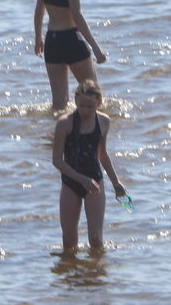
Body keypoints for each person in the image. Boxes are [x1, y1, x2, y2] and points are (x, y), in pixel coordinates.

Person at [33, 0, 107, 109]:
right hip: (72, 41)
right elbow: (77, 15)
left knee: (59, 103)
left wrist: (38, 38)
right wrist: (97, 49)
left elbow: (38, 11)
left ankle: (57, 133)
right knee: (94, 97)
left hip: (52, 42)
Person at [52, 80, 126, 253]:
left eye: (90, 106)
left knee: (96, 238)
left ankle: (96, 274)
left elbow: (102, 154)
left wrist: (116, 183)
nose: (85, 110)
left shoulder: (104, 121)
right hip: (71, 183)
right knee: (69, 240)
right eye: (81, 105)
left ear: (99, 103)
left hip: (95, 181)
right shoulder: (64, 123)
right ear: (75, 101)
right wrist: (81, 179)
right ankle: (71, 274)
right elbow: (57, 160)